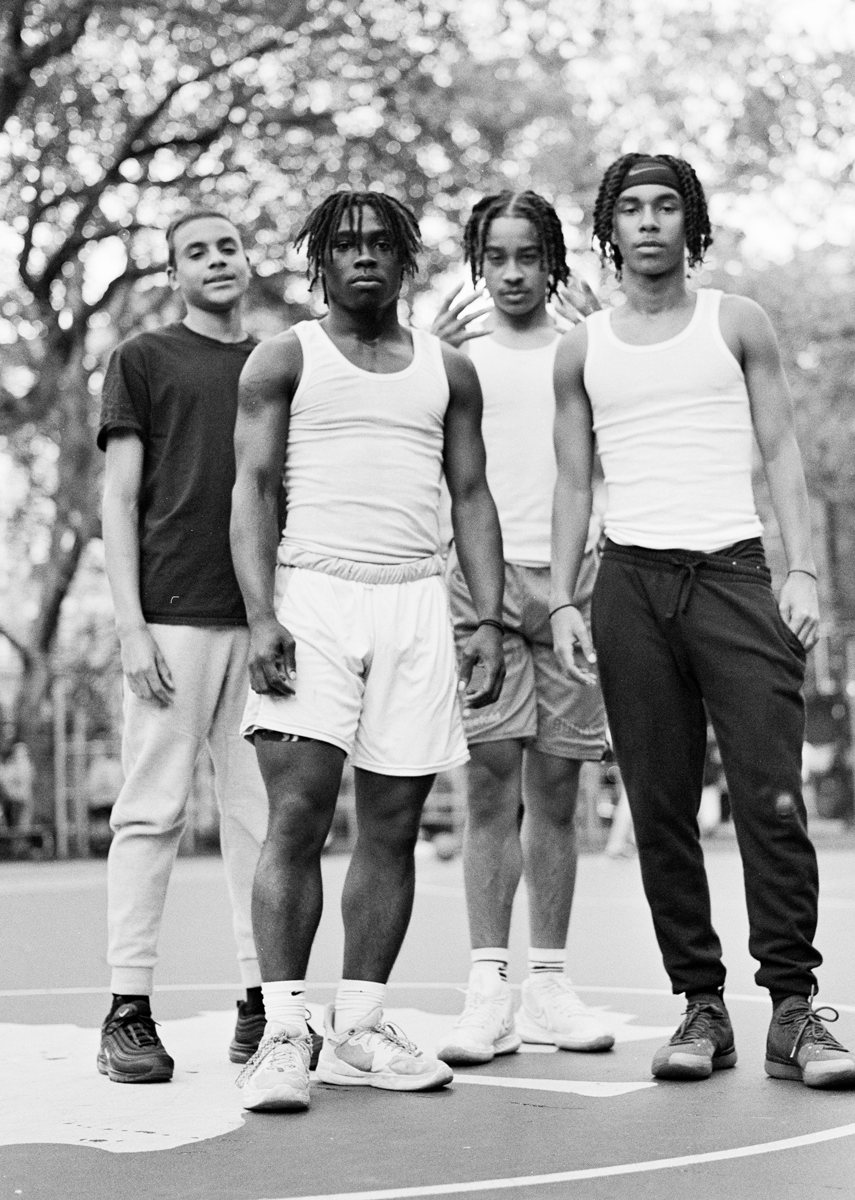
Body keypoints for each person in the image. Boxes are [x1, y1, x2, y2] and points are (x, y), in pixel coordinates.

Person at [550, 153, 855, 1090]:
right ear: (611, 229)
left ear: (693, 224)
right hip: (630, 586)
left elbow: (780, 448)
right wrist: (565, 595)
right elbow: (573, 481)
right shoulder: (583, 351)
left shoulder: (738, 321)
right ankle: (701, 1006)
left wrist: (800, 568)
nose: (651, 221)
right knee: (659, 805)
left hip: (735, 575)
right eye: (633, 209)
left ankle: (796, 1014)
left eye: (667, 206)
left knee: (774, 797)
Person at [228, 190, 506, 1113]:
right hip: (314, 595)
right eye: (344, 246)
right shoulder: (284, 359)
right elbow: (254, 490)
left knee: (391, 827)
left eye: (380, 245)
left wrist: (490, 620)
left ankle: (361, 1025)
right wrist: (263, 614)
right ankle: (281, 1032)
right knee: (299, 819)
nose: (363, 259)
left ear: (405, 260)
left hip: (416, 605)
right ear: (319, 260)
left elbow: (470, 497)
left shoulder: (448, 370)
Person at [430, 191, 613, 1065]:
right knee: (490, 789)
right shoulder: (452, 360)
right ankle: (486, 991)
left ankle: (547, 985)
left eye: (527, 256)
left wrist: (611, 346)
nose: (512, 273)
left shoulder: (587, 351)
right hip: (484, 586)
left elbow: (616, 450)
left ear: (554, 263)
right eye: (496, 257)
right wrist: (420, 355)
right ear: (478, 264)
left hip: (576, 581)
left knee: (560, 792)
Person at [97, 211, 278, 1083]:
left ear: (248, 263)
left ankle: (263, 1007)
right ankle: (127, 1010)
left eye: (227, 247)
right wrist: (130, 625)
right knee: (151, 810)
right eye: (196, 251)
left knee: (260, 821)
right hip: (170, 619)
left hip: (262, 623)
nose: (216, 260)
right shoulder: (143, 360)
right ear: (176, 274)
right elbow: (119, 500)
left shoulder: (279, 362)